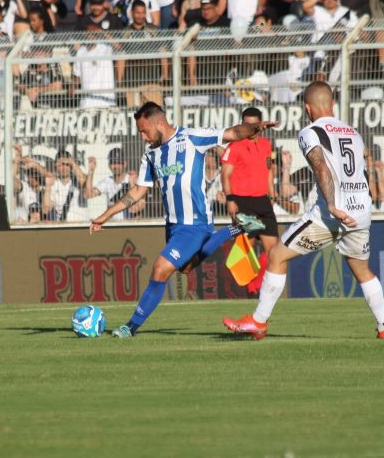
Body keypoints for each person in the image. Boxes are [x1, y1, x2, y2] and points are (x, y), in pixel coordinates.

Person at [223, 81, 384, 340]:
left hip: (330, 214)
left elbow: (320, 167)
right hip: (361, 212)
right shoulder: (353, 132)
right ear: (333, 104)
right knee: (362, 270)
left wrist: (331, 204)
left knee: (276, 256)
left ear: (307, 108)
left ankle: (258, 322)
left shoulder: (310, 132)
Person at [89, 101, 271, 338]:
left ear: (158, 122)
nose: (143, 137)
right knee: (186, 267)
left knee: (160, 269)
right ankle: (236, 229)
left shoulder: (191, 137)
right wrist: (106, 215)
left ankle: (129, 327)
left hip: (195, 223)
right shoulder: (151, 154)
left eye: (144, 131)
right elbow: (138, 191)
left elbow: (234, 133)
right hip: (174, 225)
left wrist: (254, 129)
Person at [221, 106, 279, 294]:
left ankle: (264, 288)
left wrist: (271, 192)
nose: (251, 128)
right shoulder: (234, 146)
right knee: (247, 249)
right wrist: (230, 199)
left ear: (260, 125)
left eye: (254, 124)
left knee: (273, 251)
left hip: (262, 201)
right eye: (247, 124)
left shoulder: (266, 145)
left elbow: (268, 169)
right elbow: (225, 175)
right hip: (242, 202)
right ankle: (251, 290)